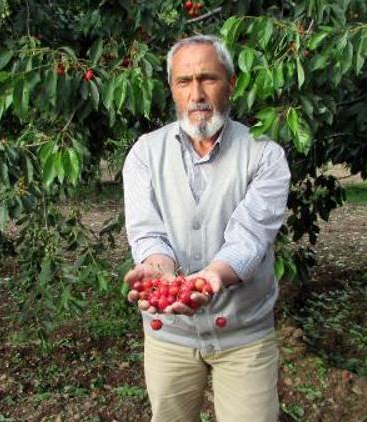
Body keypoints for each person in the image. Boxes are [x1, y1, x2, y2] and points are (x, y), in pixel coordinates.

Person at [122, 34, 291, 422]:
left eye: (208, 78)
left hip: (244, 335)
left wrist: (211, 277)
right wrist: (157, 270)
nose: (196, 93)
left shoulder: (265, 154)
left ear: (230, 84)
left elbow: (251, 236)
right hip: (170, 336)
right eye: (184, 81)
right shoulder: (145, 154)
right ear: (172, 90)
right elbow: (147, 232)